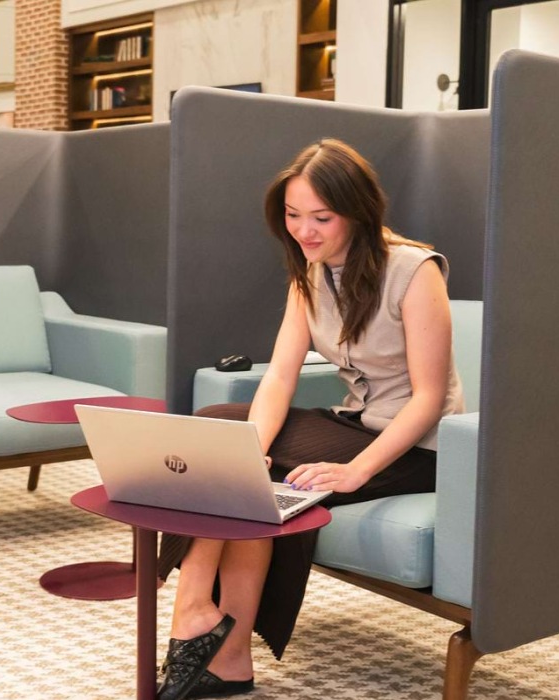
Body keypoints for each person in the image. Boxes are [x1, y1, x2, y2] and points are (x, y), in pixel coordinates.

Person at [155, 139, 465, 699]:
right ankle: (205, 619)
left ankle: (213, 635)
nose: (305, 231)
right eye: (294, 217)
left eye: (321, 217)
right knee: (220, 434)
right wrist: (253, 443)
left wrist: (356, 473)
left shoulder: (415, 271)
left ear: (359, 211)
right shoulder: (310, 271)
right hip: (354, 420)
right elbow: (278, 376)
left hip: (422, 447)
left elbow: (428, 397)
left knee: (250, 471)